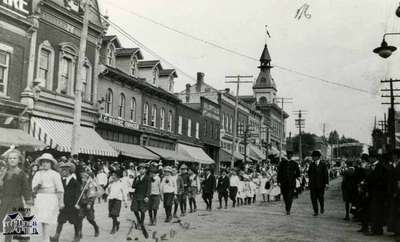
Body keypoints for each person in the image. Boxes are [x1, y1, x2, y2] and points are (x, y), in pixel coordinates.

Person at [0, 148, 33, 242]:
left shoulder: (21, 173)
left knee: (12, 223)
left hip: (16, 202)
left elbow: (26, 188)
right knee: (7, 224)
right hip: (5, 201)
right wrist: (1, 177)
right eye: (10, 158)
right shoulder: (4, 173)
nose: (12, 160)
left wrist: (28, 200)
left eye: (14, 158)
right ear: (7, 160)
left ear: (19, 160)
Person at [50, 161, 81, 242]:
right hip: (64, 205)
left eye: (65, 170)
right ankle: (56, 237)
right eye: (62, 169)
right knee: (60, 221)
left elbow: (78, 194)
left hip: (73, 205)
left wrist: (77, 204)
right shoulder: (61, 181)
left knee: (75, 221)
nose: (62, 171)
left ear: (70, 171)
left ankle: (77, 236)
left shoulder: (75, 182)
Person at [77, 167, 100, 238]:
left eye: (84, 177)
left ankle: (96, 228)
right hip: (81, 204)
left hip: (88, 204)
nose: (82, 179)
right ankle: (79, 232)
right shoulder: (80, 185)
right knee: (80, 218)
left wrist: (89, 203)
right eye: (82, 178)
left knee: (90, 219)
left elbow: (93, 195)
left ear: (87, 178)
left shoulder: (90, 185)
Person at [131, 163, 151, 238]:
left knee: (142, 210)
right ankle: (139, 221)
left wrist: (147, 196)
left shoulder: (148, 178)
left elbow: (149, 188)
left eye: (143, 169)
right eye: (140, 169)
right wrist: (136, 180)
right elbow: (133, 186)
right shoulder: (137, 177)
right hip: (136, 195)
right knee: (134, 209)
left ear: (145, 170)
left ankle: (141, 222)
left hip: (143, 196)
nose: (141, 170)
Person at [307, 150, 329, 216]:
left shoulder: (323, 165)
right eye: (313, 156)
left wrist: (326, 183)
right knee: (313, 198)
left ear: (318, 157)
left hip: (321, 185)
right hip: (313, 185)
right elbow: (309, 174)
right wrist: (309, 182)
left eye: (314, 156)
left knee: (320, 198)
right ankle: (316, 211)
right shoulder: (311, 165)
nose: (313, 158)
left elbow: (326, 174)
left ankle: (322, 207)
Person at [107, 170, 127, 234]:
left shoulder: (121, 183)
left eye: (114, 175)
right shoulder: (111, 183)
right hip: (111, 200)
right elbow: (107, 191)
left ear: (118, 176)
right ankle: (117, 222)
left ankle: (113, 228)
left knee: (114, 214)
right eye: (112, 175)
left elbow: (124, 193)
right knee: (112, 215)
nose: (113, 177)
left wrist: (125, 202)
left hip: (117, 200)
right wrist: (108, 189)